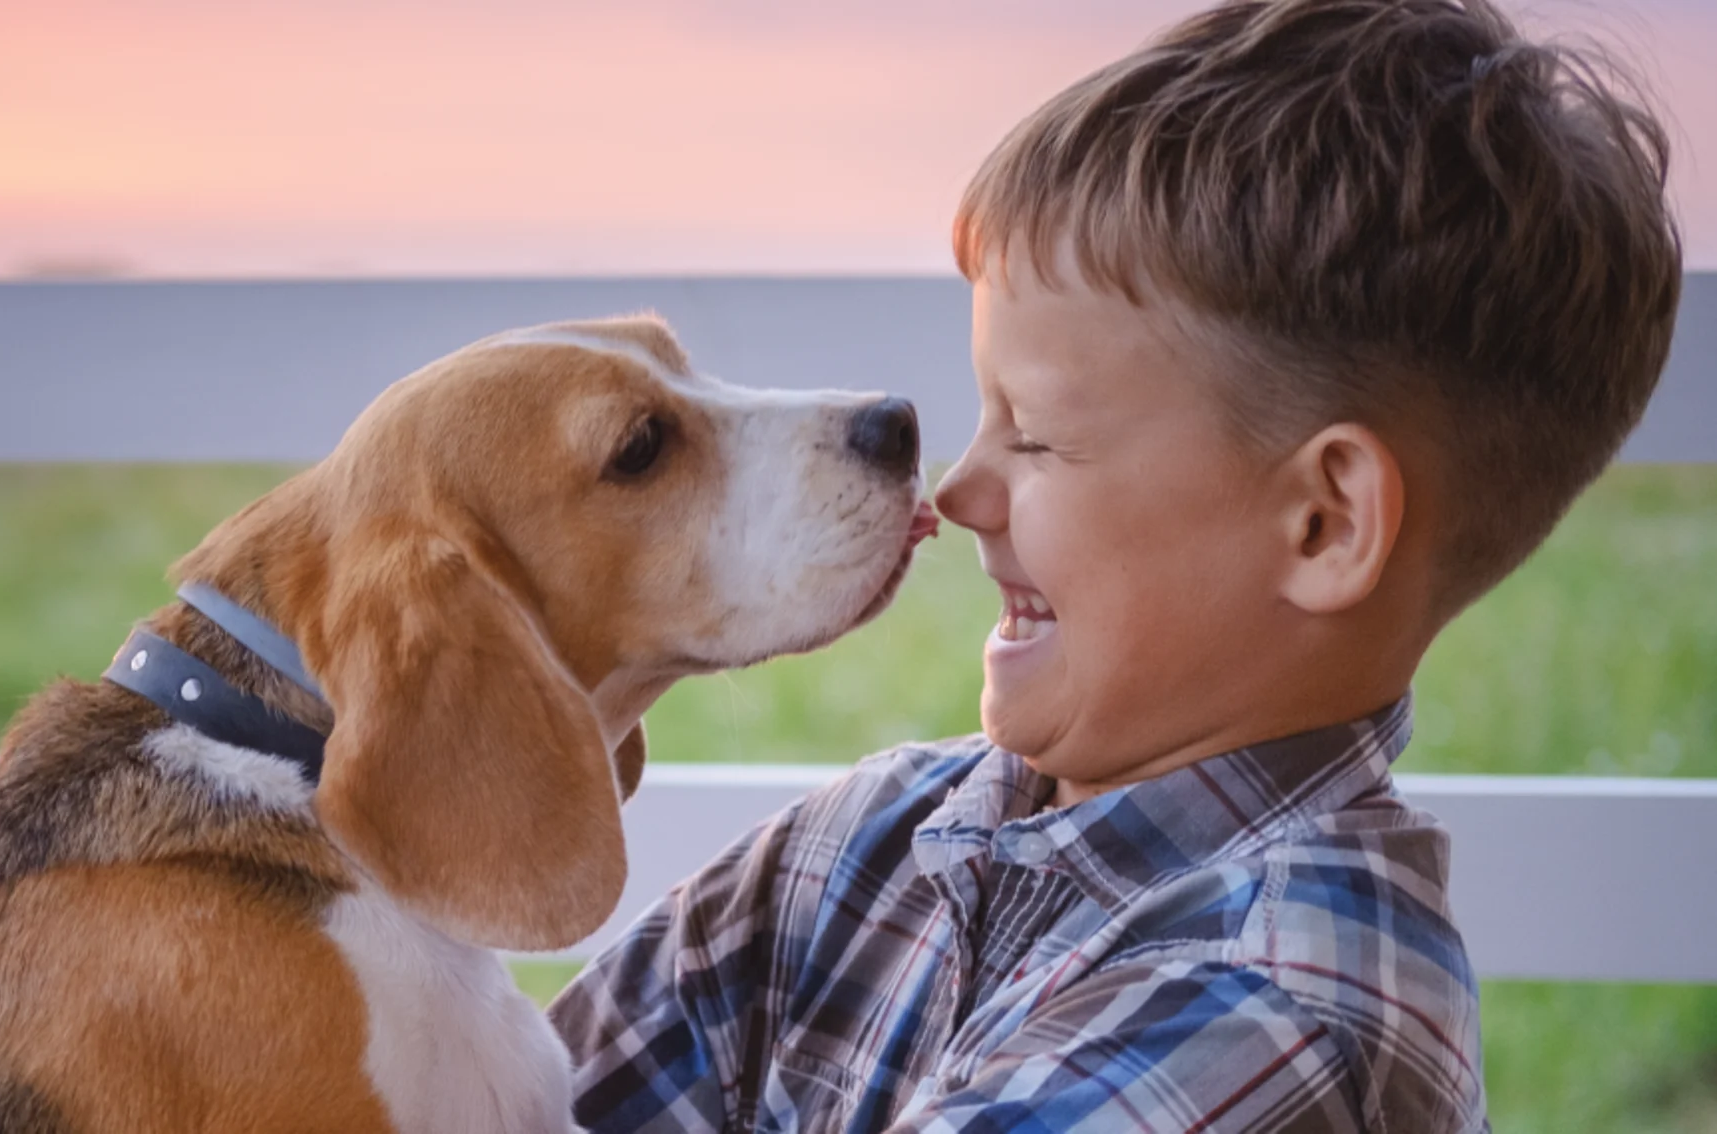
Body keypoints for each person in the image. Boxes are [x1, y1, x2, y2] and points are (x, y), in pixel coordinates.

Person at [547, 1, 1682, 1129]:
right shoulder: (864, 845)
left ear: (1326, 525)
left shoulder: (1282, 1014)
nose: (954, 492)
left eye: (1035, 434)